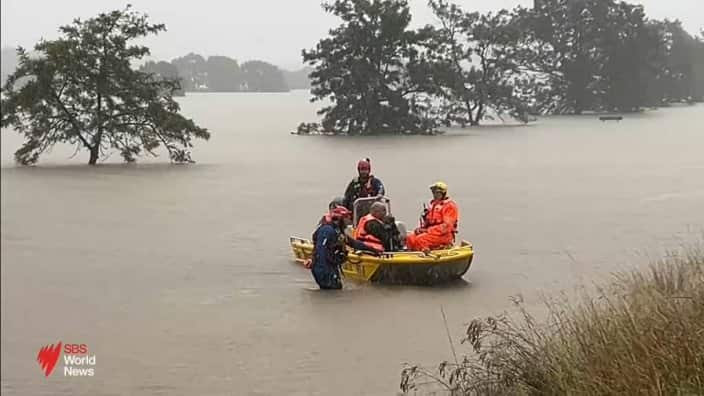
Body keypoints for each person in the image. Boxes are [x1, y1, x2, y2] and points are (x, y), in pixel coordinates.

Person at [405, 181, 459, 252]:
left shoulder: (449, 206)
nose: (435, 195)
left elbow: (446, 226)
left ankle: (423, 256)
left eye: (437, 193)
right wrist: (421, 229)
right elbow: (428, 222)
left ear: (443, 193)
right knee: (410, 238)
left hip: (444, 235)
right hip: (432, 233)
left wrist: (428, 231)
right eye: (433, 192)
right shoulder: (433, 205)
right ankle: (410, 257)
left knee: (421, 240)